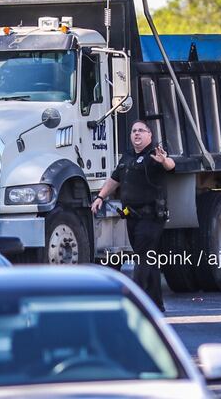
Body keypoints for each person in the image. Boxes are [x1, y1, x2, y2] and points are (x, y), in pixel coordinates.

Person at [91, 120, 175, 312]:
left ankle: (135, 302)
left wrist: (165, 161)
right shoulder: (127, 157)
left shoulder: (155, 154)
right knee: (149, 259)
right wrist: (100, 197)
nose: (137, 134)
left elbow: (171, 165)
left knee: (143, 258)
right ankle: (156, 305)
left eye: (141, 131)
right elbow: (114, 179)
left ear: (149, 135)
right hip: (132, 217)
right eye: (134, 131)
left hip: (151, 217)